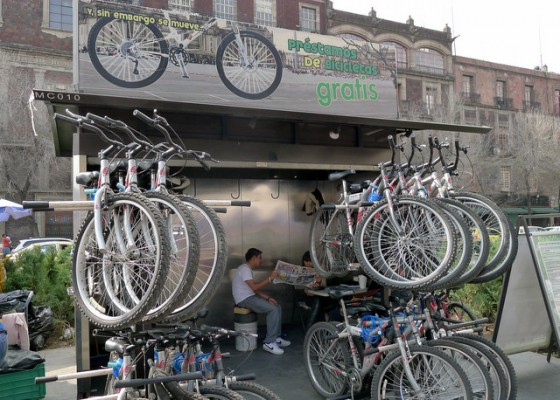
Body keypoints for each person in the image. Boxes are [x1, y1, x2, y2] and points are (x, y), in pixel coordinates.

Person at [232, 248, 291, 355]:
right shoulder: (245, 269)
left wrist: (268, 298)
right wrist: (269, 279)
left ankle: (276, 338)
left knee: (276, 306)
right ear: (254, 258)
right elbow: (254, 287)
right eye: (260, 258)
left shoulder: (246, 269)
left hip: (249, 297)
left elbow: (253, 288)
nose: (261, 260)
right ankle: (269, 342)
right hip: (244, 299)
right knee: (272, 310)